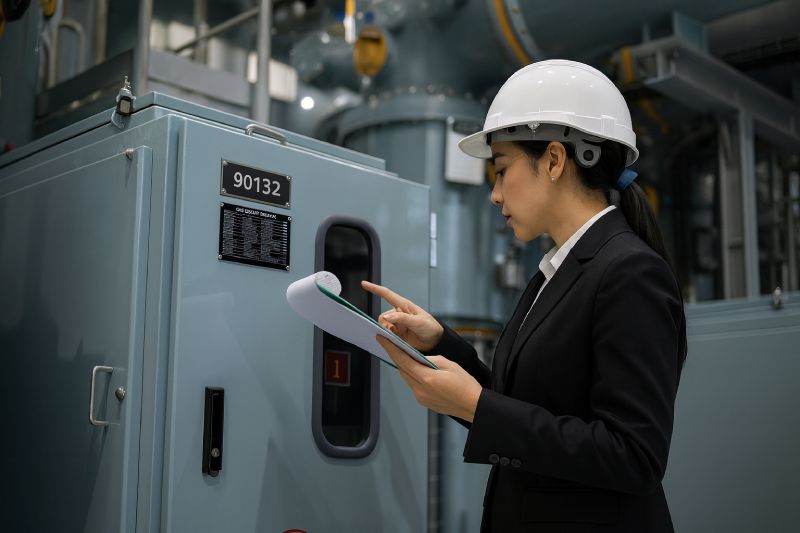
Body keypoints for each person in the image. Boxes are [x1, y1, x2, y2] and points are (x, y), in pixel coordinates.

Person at [362, 59, 687, 532]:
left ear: (554, 160)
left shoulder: (629, 272)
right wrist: (441, 344)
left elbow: (634, 455)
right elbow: (525, 405)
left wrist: (475, 405)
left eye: (501, 170)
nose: (495, 195)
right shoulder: (556, 272)